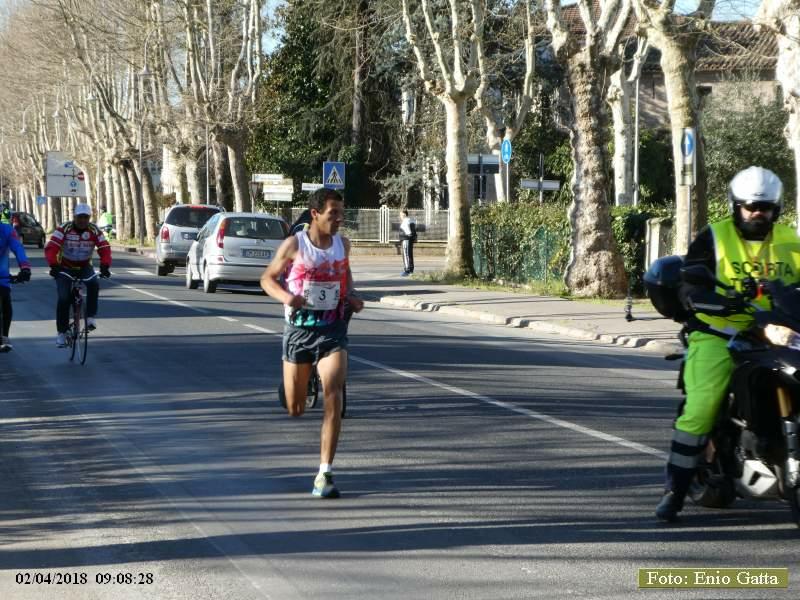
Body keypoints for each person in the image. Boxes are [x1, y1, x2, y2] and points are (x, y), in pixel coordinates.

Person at [655, 166, 800, 522]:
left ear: (777, 208)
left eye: (765, 208)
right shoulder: (714, 237)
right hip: (719, 332)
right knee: (703, 406)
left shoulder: (791, 240)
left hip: (777, 331)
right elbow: (691, 282)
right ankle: (675, 491)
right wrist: (709, 299)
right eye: (750, 207)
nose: (757, 213)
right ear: (736, 206)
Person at [261, 188, 364, 498]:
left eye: (341, 213)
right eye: (333, 213)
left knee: (334, 395)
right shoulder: (295, 244)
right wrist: (287, 297)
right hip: (299, 331)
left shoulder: (342, 245)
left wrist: (351, 296)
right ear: (315, 214)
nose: (339, 219)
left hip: (333, 329)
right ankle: (299, 383)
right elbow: (267, 279)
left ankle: (325, 473)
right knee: (296, 409)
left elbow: (345, 276)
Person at [45, 203, 112, 347]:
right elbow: (51, 247)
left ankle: (90, 317)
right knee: (63, 299)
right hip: (65, 267)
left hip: (84, 266)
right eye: (80, 217)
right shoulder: (64, 228)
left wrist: (105, 265)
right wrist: (53, 265)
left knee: (94, 283)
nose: (82, 220)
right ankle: (62, 333)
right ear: (74, 217)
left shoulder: (94, 230)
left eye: (85, 217)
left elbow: (104, 247)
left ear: (89, 218)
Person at [0, 220, 31, 351]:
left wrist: (25, 267)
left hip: (1, 275)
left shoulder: (7, 230)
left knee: (5, 301)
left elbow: (18, 248)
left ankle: (4, 336)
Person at [398, 208, 417, 276]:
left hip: (405, 240)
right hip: (409, 240)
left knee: (405, 255)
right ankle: (411, 270)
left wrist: (408, 235)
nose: (400, 216)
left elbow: (408, 232)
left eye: (401, 215)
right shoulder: (411, 220)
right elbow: (413, 231)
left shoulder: (405, 221)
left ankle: (407, 270)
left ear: (404, 214)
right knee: (409, 255)